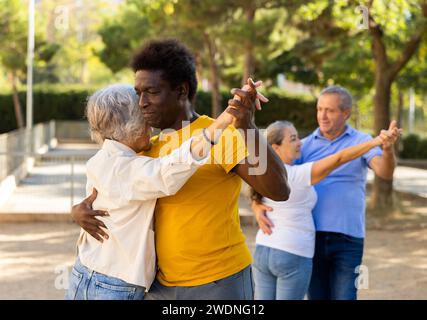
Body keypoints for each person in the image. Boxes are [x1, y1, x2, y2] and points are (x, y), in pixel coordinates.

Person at [71, 39, 290, 300]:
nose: (141, 102)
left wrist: (246, 125)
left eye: (151, 92)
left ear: (181, 91)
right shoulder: (143, 144)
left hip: (218, 282)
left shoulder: (222, 135)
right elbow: (108, 183)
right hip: (159, 287)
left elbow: (278, 190)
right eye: (138, 92)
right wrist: (77, 211)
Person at [66, 83, 252, 300]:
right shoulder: (127, 169)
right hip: (112, 284)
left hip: (87, 271)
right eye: (145, 122)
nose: (151, 128)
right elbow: (169, 171)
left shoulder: (101, 160)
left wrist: (75, 212)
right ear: (130, 126)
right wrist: (221, 124)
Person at [252, 86, 400, 300]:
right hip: (313, 239)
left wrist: (387, 148)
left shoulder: (361, 141)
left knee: (345, 296)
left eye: (329, 110)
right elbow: (274, 176)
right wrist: (257, 204)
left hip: (348, 238)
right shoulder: (303, 146)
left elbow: (385, 172)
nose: (322, 115)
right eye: (319, 109)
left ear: (346, 113)